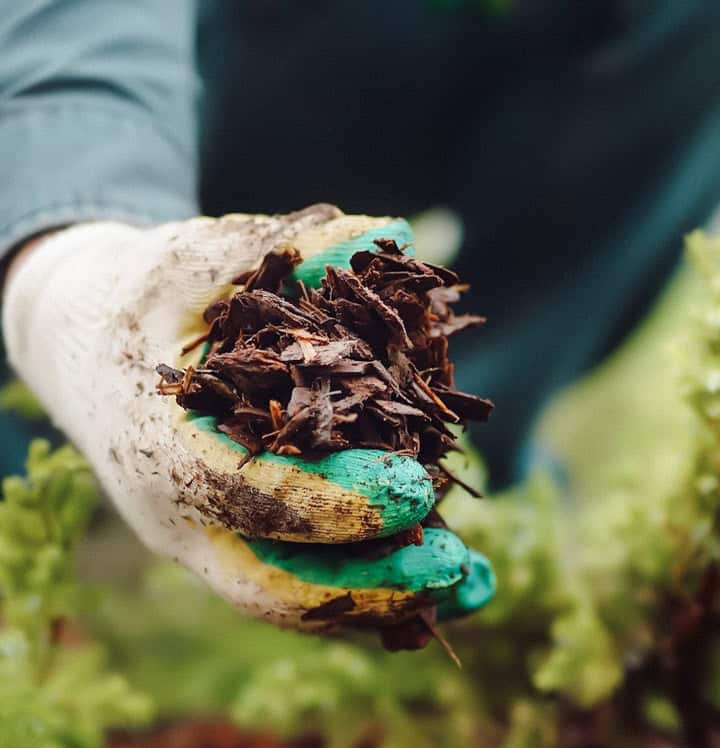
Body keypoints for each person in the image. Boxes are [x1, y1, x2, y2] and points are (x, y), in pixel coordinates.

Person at [2, 1, 719, 632]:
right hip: (146, 82)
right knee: (53, 436)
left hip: (406, 72)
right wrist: (66, 268)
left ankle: (452, 473)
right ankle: (48, 474)